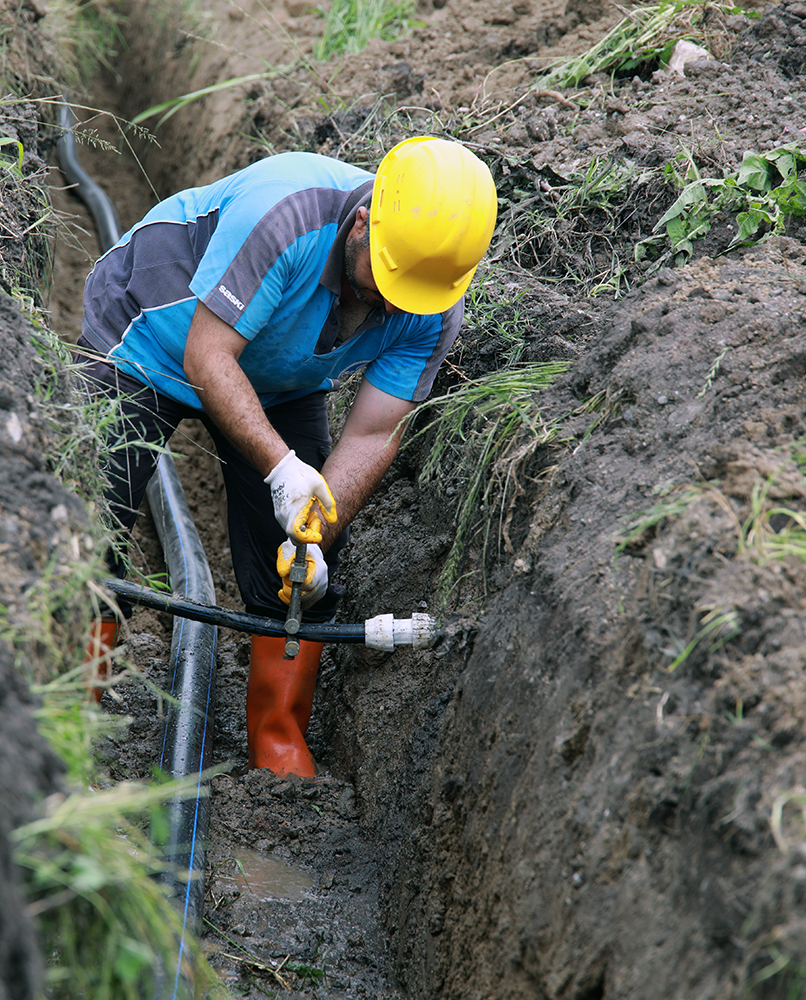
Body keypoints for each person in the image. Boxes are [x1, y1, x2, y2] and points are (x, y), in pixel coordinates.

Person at [79, 136, 496, 777]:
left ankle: (278, 739)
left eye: (408, 295)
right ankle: (70, 707)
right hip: (152, 335)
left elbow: (375, 432)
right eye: (383, 284)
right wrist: (281, 468)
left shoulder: (432, 304)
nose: (390, 306)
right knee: (90, 526)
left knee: (295, 561)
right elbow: (208, 358)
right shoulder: (285, 217)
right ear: (363, 223)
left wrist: (317, 527)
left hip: (282, 379)